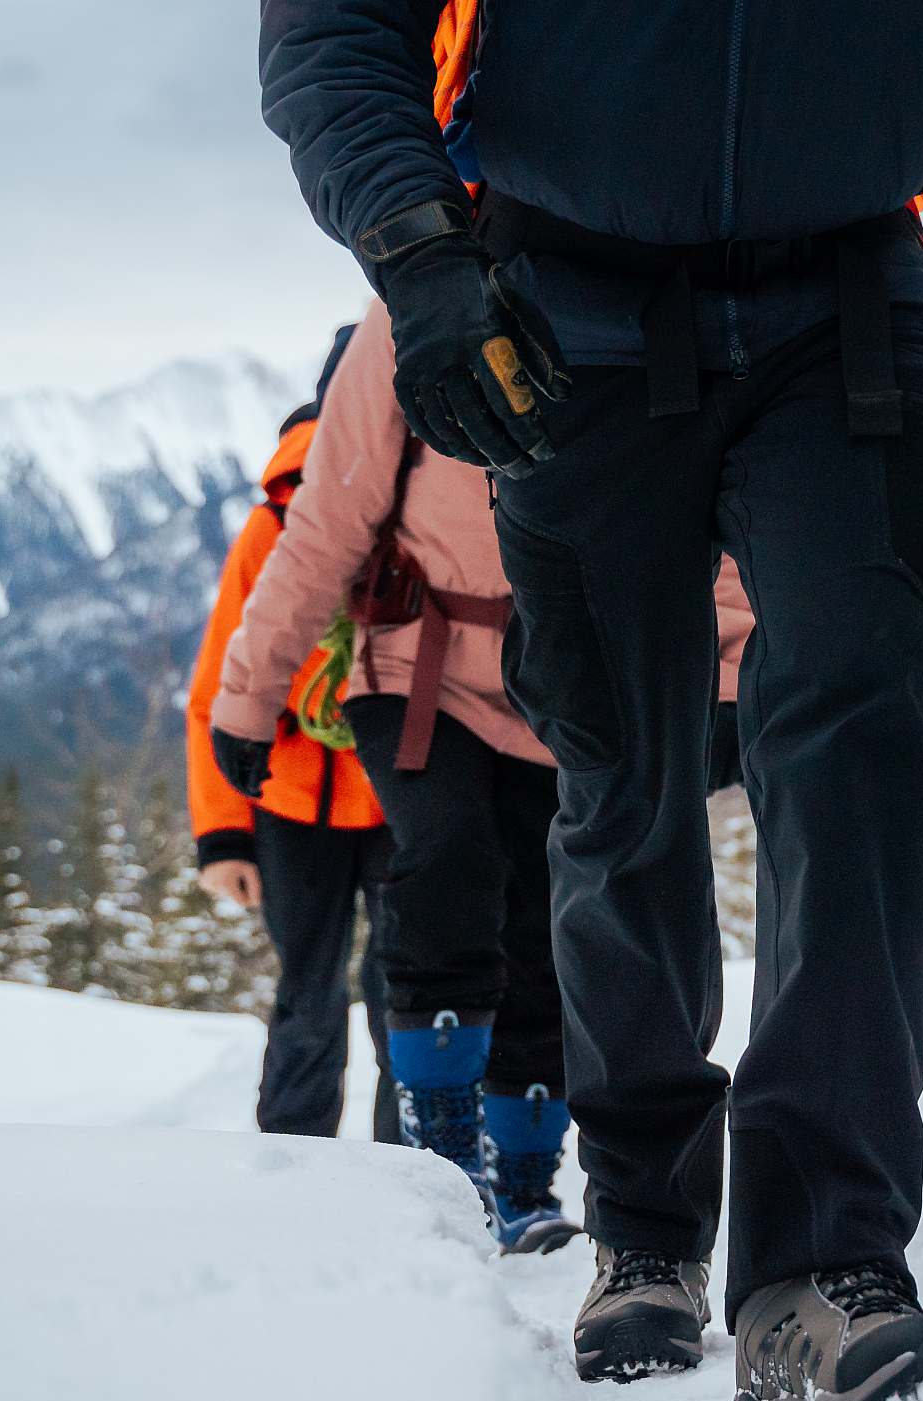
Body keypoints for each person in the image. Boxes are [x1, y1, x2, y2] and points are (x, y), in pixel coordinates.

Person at [256, 0, 923, 1401]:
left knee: (860, 732)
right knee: (618, 776)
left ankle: (823, 1275)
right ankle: (642, 1225)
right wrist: (416, 248)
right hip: (554, 301)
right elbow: (334, 23)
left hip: (849, 300)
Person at [210, 307, 755, 1255]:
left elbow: (711, 510)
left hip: (568, 674)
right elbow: (326, 522)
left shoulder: (634, 275)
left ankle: (523, 1179)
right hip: (417, 665)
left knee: (546, 924)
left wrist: (721, 682)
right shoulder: (409, 309)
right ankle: (441, 1155)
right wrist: (251, 700)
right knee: (445, 859)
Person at [186, 326, 400, 1146]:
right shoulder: (276, 522)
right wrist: (221, 836)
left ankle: (358, 1156)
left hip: (375, 793)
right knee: (333, 993)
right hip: (318, 795)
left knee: (368, 992)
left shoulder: (413, 497)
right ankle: (323, 1160)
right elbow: (217, 688)